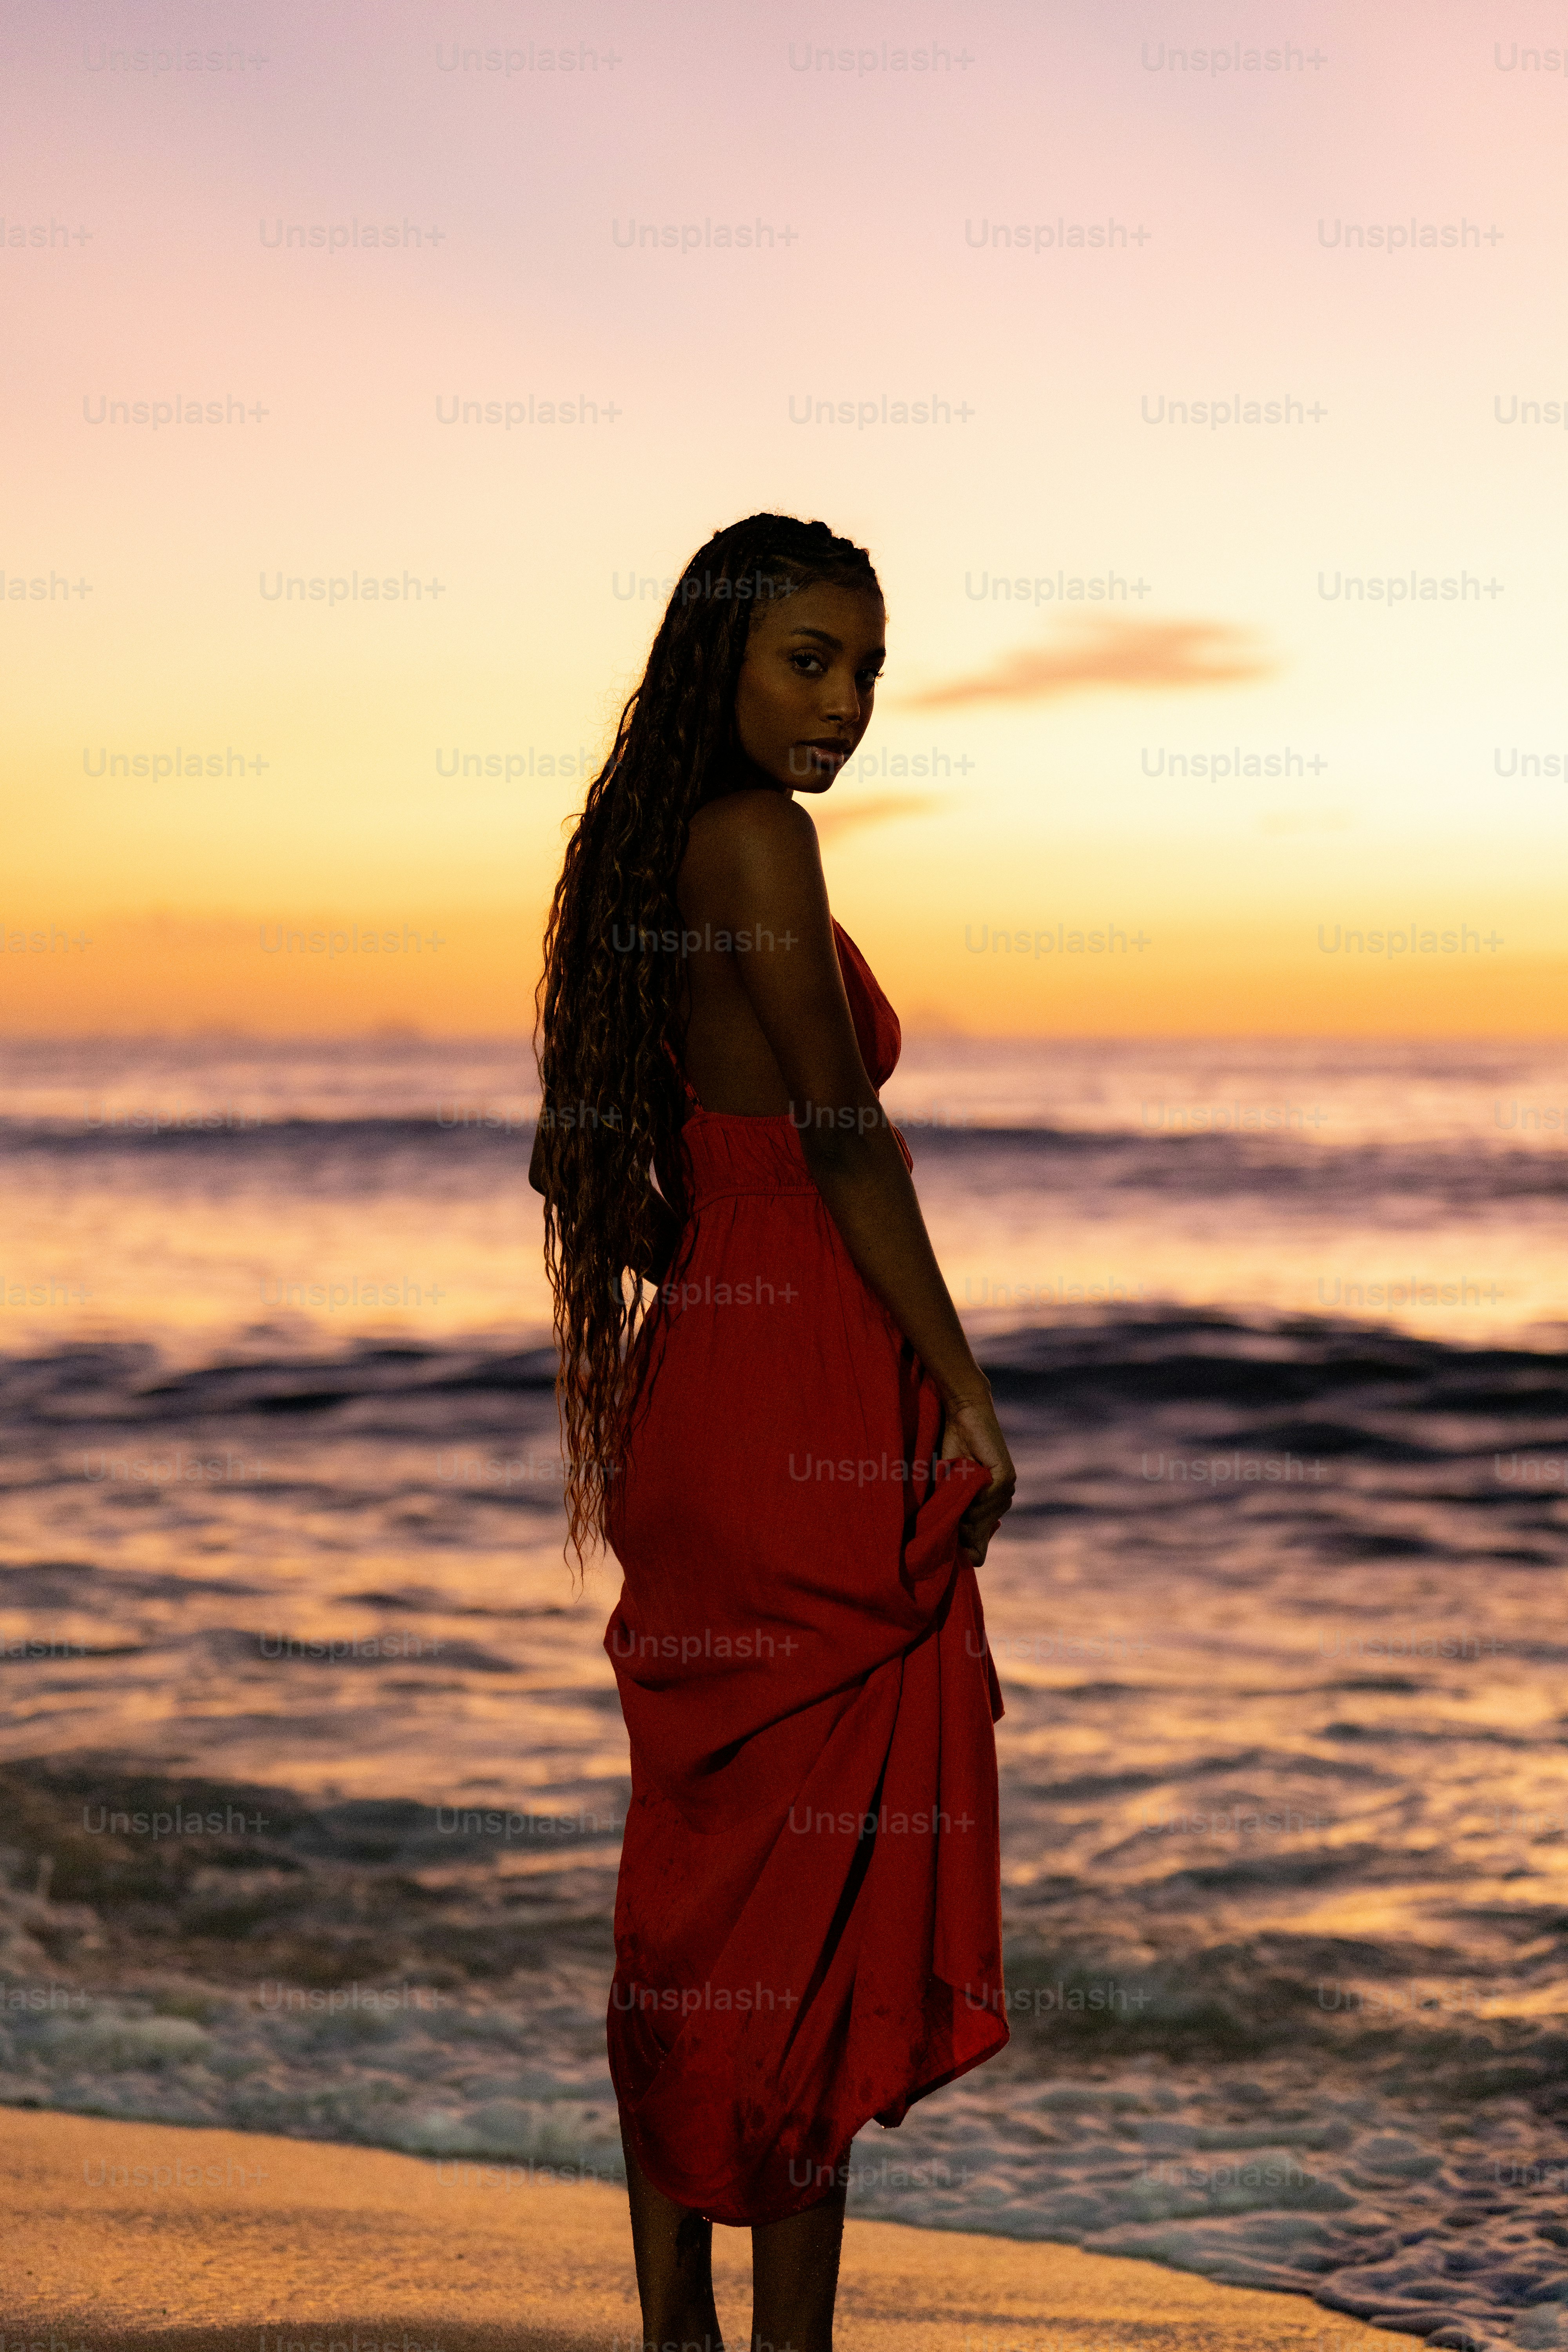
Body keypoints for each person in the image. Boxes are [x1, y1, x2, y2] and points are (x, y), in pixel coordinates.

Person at [531, 513, 1016, 2352]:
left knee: (701, 1877)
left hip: (705, 1402)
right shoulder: (763, 840)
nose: (843, 705)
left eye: (868, 670)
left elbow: (619, 1180)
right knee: (804, 1899)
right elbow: (838, 1134)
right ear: (720, 659)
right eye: (810, 660)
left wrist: (720, 1253)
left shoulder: (643, 863)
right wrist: (961, 1385)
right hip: (805, 1377)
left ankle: (675, 2325)